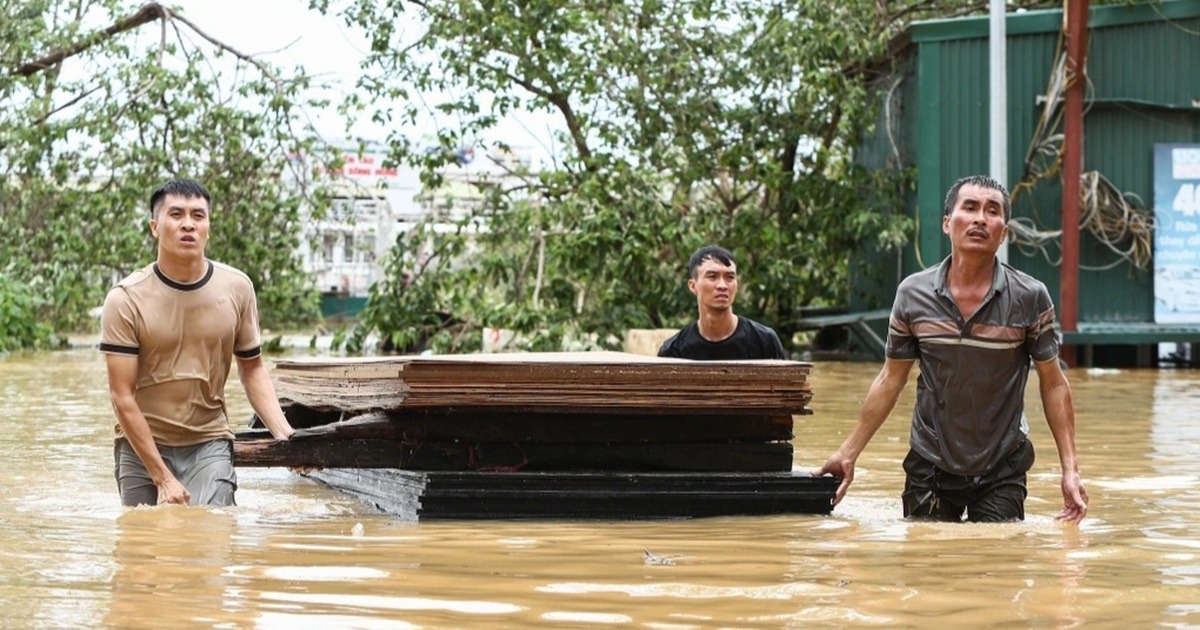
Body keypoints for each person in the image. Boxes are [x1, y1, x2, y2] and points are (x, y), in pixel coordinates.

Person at [812, 175, 1088, 523]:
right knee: (928, 564)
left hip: (1002, 463)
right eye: (969, 208)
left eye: (992, 212)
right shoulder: (913, 294)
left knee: (995, 561)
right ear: (947, 223)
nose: (980, 219)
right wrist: (848, 453)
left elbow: (1053, 382)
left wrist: (1070, 470)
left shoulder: (1030, 297)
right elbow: (890, 379)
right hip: (930, 462)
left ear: (1004, 232)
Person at [101, 178, 297, 507]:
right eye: (176, 214)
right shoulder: (125, 299)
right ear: (155, 226)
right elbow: (121, 396)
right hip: (140, 445)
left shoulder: (237, 288)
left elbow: (252, 369)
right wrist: (162, 477)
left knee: (213, 536)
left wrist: (285, 436)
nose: (188, 224)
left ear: (208, 226)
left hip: (209, 441)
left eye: (198, 216)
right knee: (142, 546)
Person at [658, 245, 788, 360]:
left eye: (730, 277)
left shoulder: (764, 341)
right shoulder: (674, 351)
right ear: (693, 286)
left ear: (737, 285)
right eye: (712, 277)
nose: (722, 285)